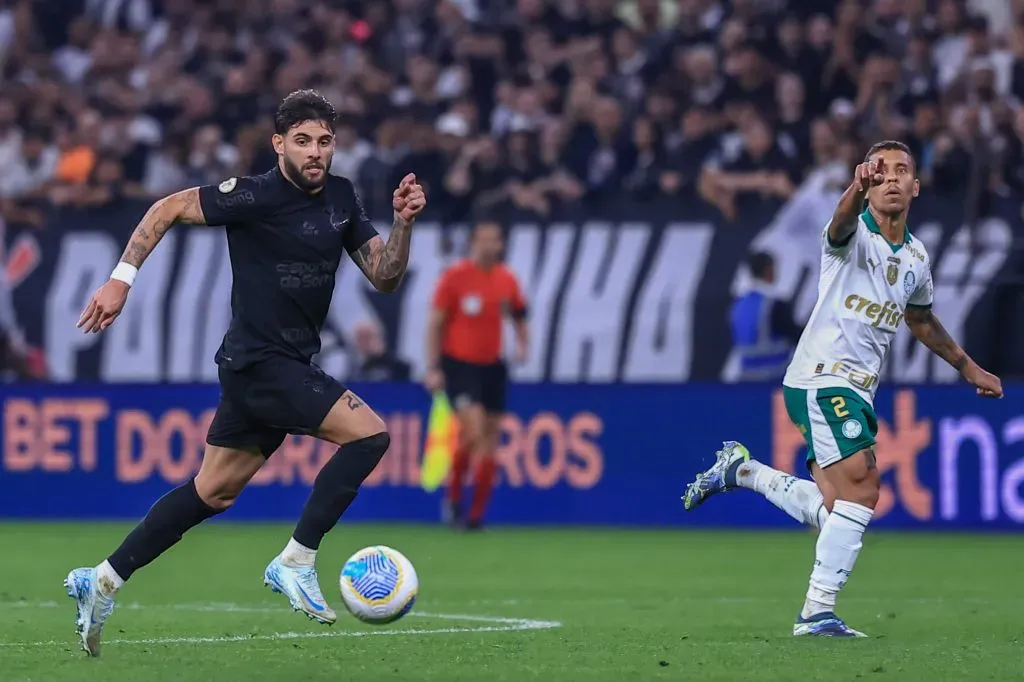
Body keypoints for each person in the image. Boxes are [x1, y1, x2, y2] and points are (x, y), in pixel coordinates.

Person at [65, 89, 426, 656]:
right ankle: (297, 558)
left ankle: (102, 579)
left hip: (275, 364)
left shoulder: (341, 197)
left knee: (212, 491)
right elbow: (166, 209)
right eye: (302, 141)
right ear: (279, 143)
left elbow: (383, 275)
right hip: (261, 364)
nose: (315, 152)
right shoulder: (255, 194)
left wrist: (403, 224)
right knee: (372, 434)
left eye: (324, 142)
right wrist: (121, 279)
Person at [682, 140, 1003, 638]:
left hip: (856, 389)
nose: (892, 178)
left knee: (837, 509)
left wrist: (968, 367)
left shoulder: (915, 256)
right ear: (871, 183)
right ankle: (815, 612)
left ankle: (743, 472)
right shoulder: (852, 237)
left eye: (902, 171)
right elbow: (839, 223)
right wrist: (855, 187)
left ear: (916, 186)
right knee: (865, 486)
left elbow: (919, 319)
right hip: (822, 377)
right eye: (883, 172)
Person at [425, 220, 528, 530]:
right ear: (472, 243)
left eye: (493, 239)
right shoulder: (455, 278)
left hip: (492, 368)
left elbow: (520, 315)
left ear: (500, 244)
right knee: (473, 431)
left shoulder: (506, 279)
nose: (487, 245)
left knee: (489, 441)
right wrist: (432, 367)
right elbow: (435, 324)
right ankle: (454, 501)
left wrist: (523, 344)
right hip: (459, 365)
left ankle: (475, 516)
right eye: (482, 239)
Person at [723, 251, 802, 382]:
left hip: (746, 378)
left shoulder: (738, 304)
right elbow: (796, 336)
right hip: (774, 378)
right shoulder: (774, 304)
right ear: (768, 269)